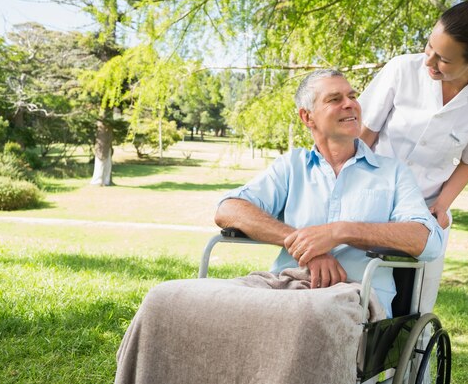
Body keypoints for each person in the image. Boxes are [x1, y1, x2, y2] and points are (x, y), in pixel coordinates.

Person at [114, 70, 443, 384]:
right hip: (283, 286)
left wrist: (339, 231)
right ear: (307, 117)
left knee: (308, 320)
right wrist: (303, 245)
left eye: (352, 96)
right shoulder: (291, 166)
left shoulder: (392, 172)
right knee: (164, 299)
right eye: (335, 99)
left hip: (353, 293)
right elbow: (229, 209)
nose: (351, 104)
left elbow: (422, 238)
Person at [358, 0, 468, 316]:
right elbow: (365, 133)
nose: (428, 61)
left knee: (412, 309)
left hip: (423, 211)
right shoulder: (401, 70)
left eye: (443, 59)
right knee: (361, 298)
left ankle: (410, 366)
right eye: (429, 46)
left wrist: (441, 206)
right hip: (368, 198)